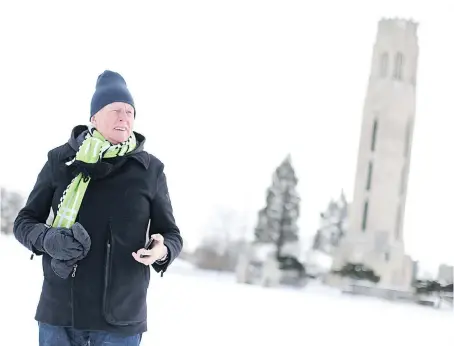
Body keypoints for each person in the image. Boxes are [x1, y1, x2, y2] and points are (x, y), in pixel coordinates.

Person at [13, 70, 183, 346]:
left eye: (130, 112)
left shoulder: (150, 170)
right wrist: (47, 239)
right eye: (116, 109)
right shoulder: (61, 160)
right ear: (94, 117)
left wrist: (161, 250)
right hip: (61, 312)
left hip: (120, 319)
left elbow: (171, 234)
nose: (124, 117)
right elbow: (24, 222)